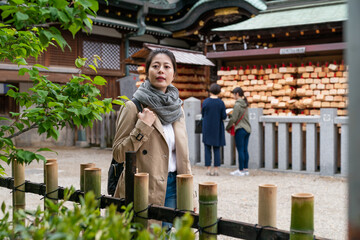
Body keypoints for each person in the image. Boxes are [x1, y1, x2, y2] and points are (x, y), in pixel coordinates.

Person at [112, 48, 192, 229]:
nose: (161, 70)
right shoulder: (133, 107)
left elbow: (183, 156)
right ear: (148, 72)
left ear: (174, 74)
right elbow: (118, 154)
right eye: (155, 66)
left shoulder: (177, 109)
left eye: (166, 67)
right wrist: (143, 126)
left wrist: (190, 195)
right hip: (142, 186)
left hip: (174, 186)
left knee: (166, 232)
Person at [201, 83, 226, 176]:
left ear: (210, 91)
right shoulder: (221, 103)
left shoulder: (206, 102)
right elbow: (224, 116)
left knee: (207, 148)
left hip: (207, 127)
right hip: (217, 128)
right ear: (219, 92)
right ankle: (216, 169)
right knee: (216, 149)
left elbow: (203, 114)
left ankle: (208, 169)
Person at [226, 87, 251, 176]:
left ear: (237, 94)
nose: (233, 96)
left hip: (240, 129)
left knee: (240, 149)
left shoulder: (237, 105)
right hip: (247, 129)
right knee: (245, 149)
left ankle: (240, 170)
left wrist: (227, 127)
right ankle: (245, 169)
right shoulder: (245, 104)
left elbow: (234, 118)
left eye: (233, 94)